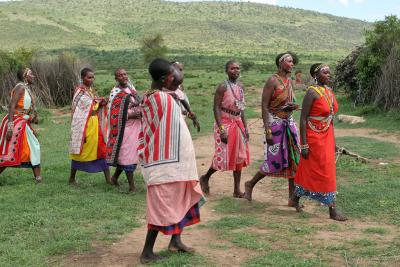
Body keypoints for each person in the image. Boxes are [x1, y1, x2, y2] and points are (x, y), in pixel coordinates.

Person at [139, 58, 204, 264]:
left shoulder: (158, 95)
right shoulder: (162, 99)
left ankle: (176, 241)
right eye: (172, 78)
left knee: (181, 199)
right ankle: (147, 252)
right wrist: (176, 74)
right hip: (164, 163)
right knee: (162, 206)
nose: (176, 81)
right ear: (163, 79)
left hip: (174, 162)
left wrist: (173, 75)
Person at [291, 63, 347, 221]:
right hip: (314, 137)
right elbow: (303, 119)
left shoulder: (329, 91)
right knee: (316, 170)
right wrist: (304, 144)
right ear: (316, 75)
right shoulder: (312, 92)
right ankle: (332, 210)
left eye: (329, 72)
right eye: (325, 72)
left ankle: (294, 198)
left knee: (325, 169)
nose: (329, 75)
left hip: (327, 136)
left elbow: (331, 119)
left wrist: (334, 142)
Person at [244, 52, 300, 204]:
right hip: (275, 124)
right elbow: (264, 106)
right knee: (274, 160)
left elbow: (288, 101)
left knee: (293, 159)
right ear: (281, 63)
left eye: (292, 62)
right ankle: (250, 184)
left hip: (289, 123)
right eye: (289, 61)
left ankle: (292, 198)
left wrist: (292, 106)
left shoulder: (289, 81)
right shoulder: (272, 81)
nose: (292, 64)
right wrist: (268, 130)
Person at [200, 60, 250, 198]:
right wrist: (222, 129)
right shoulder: (222, 87)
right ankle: (205, 177)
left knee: (239, 156)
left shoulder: (240, 87)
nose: (236, 71)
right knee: (222, 156)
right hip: (225, 124)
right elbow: (216, 107)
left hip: (238, 123)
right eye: (232, 68)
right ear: (226, 71)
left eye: (238, 68)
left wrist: (245, 128)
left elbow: (241, 109)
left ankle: (236, 190)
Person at [69, 68, 111, 185]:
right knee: (81, 151)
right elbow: (80, 109)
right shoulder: (80, 91)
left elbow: (94, 103)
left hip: (95, 123)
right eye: (89, 77)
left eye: (93, 77)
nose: (91, 79)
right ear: (82, 77)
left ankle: (108, 179)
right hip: (84, 125)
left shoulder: (91, 90)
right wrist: (99, 101)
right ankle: (72, 178)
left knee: (101, 148)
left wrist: (101, 102)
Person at [0, 67, 42, 182]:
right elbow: (11, 107)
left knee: (34, 146)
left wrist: (31, 118)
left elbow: (23, 108)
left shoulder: (26, 88)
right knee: (9, 151)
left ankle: (38, 178)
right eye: (31, 74)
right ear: (25, 76)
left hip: (23, 122)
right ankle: (38, 177)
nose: (33, 76)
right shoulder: (20, 88)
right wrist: (10, 127)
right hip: (15, 122)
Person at [106, 68, 141, 193]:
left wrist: (137, 106)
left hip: (135, 127)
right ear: (116, 78)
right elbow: (113, 113)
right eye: (120, 75)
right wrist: (131, 115)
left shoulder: (131, 88)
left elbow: (138, 101)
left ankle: (114, 178)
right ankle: (132, 187)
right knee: (127, 156)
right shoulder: (115, 93)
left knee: (128, 155)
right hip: (124, 129)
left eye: (125, 74)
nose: (123, 77)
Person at [163, 61, 200, 132]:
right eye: (178, 70)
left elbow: (182, 103)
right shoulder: (164, 87)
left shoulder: (178, 86)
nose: (180, 73)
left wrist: (191, 115)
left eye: (181, 70)